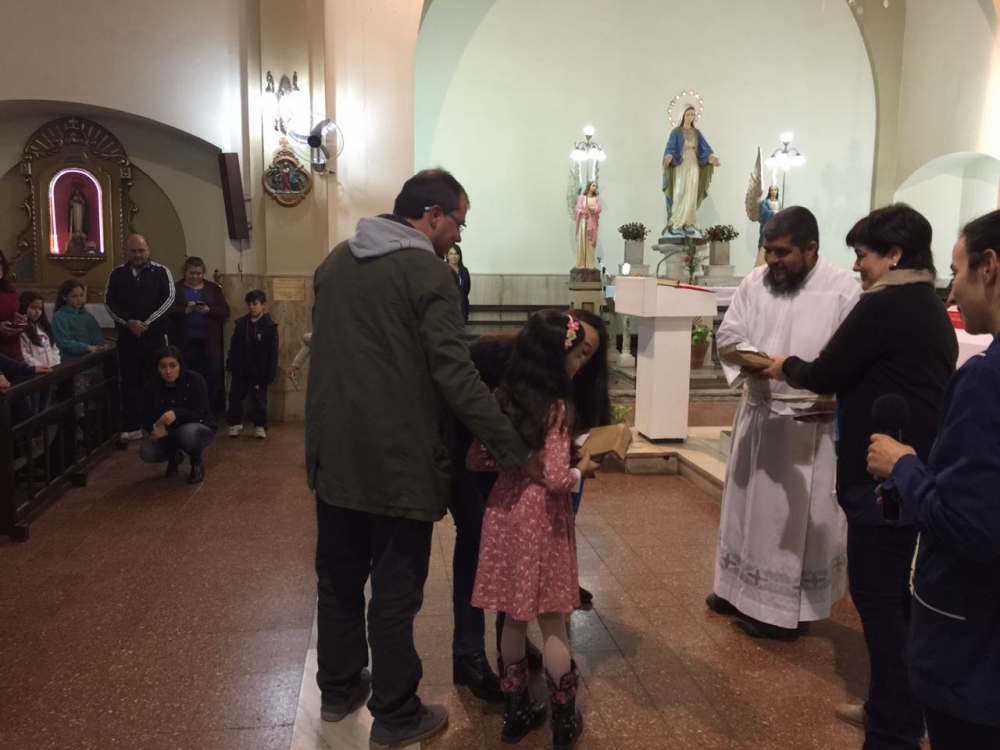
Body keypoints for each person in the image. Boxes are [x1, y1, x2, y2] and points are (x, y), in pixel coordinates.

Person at [306, 169, 542, 749]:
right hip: (398, 462)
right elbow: (455, 376)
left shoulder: (334, 263)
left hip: (334, 455)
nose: (458, 234)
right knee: (394, 591)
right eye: (459, 222)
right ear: (433, 214)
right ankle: (395, 713)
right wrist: (515, 451)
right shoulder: (427, 273)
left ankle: (338, 687)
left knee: (338, 579)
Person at [762, 204, 957, 747]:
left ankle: (894, 727)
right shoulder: (927, 303)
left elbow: (827, 370)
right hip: (909, 471)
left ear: (894, 255)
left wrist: (783, 365)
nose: (856, 267)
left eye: (863, 255)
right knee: (893, 595)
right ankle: (895, 705)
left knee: (879, 600)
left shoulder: (886, 304)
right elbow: (883, 377)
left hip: (881, 480)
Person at [867, 210, 1000, 750]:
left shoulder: (987, 381)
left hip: (974, 650)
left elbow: (971, 525)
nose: (952, 291)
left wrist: (904, 467)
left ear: (989, 267)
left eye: (958, 271)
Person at [708, 206, 860, 640]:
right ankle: (735, 589)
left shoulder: (842, 290)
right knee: (744, 513)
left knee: (785, 525)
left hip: (805, 426)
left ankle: (782, 612)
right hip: (758, 416)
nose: (771, 260)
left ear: (810, 248)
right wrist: (747, 358)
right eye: (768, 250)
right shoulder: (755, 281)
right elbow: (729, 333)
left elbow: (849, 360)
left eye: (782, 252)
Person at [470, 310, 598, 749]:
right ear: (554, 358)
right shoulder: (557, 407)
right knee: (554, 622)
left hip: (505, 515)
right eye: (576, 356)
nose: (579, 364)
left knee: (513, 619)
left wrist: (518, 462)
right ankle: (563, 722)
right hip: (542, 519)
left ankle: (516, 714)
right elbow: (558, 478)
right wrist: (583, 469)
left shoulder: (504, 397)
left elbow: (477, 457)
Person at [104, 233, 175, 440]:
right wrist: (128, 322)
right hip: (128, 338)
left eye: (141, 250)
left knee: (158, 380)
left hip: (154, 337)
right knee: (129, 382)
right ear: (127, 251)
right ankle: (132, 425)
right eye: (133, 251)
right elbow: (109, 302)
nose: (137, 255)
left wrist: (146, 323)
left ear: (148, 250)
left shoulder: (161, 272)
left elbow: (169, 299)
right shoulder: (117, 274)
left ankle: (157, 425)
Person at [138, 346, 215, 484]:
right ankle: (173, 456)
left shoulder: (194, 380)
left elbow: (200, 413)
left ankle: (196, 463)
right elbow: (145, 416)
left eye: (173, 366)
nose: (168, 371)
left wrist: (176, 413)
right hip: (168, 433)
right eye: (163, 367)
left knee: (187, 432)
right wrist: (154, 430)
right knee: (146, 452)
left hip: (198, 427)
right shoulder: (151, 387)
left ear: (180, 365)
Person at [168, 257, 230, 413]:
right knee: (187, 376)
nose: (195, 277)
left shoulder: (212, 289)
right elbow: (168, 312)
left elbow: (224, 311)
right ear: (185, 272)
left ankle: (209, 411)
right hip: (185, 342)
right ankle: (189, 409)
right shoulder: (176, 289)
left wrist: (209, 310)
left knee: (212, 377)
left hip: (210, 343)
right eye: (192, 273)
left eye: (199, 273)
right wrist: (185, 311)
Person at [225, 289, 278, 439]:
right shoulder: (241, 324)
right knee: (235, 396)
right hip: (241, 368)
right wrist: (230, 365)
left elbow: (273, 353)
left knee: (259, 399)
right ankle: (234, 423)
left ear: (263, 305)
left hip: (259, 370)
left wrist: (270, 372)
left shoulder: (269, 327)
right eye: (249, 304)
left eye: (255, 304)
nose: (252, 307)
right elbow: (234, 347)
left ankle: (260, 425)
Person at [662, 106, 721, 235]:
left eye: (692, 114)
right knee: (680, 191)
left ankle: (689, 222)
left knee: (691, 192)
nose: (690, 117)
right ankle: (676, 222)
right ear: (683, 115)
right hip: (681, 164)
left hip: (693, 163)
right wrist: (669, 156)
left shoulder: (696, 132)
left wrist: (711, 158)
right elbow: (670, 147)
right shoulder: (676, 132)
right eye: (688, 114)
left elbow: (705, 149)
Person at [19, 292, 60, 414]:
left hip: (48, 373)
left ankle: (42, 427)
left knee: (44, 409)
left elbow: (53, 347)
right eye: (33, 307)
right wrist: (38, 367)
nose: (37, 312)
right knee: (34, 411)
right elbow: (23, 354)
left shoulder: (43, 327)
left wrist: (55, 364)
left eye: (40, 308)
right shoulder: (21, 329)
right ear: (23, 307)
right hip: (33, 376)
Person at [52, 279, 106, 365]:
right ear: (64, 297)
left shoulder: (88, 316)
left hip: (91, 359)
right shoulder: (59, 316)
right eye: (74, 296)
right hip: (70, 362)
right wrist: (86, 348)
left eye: (81, 295)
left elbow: (97, 336)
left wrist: (99, 347)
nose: (79, 299)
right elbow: (63, 341)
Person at [0, 248, 27, 364]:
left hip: (13, 352)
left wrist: (18, 322)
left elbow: (13, 314)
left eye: (0, 262)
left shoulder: (9, 290)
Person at [574, 182, 601, 269]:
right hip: (583, 222)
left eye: (595, 186)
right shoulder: (582, 198)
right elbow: (577, 208)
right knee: (583, 241)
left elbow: (598, 209)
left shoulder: (596, 198)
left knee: (590, 242)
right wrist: (582, 211)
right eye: (593, 185)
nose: (594, 187)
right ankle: (581, 263)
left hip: (592, 222)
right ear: (589, 186)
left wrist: (591, 208)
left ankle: (589, 263)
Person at [756, 185, 780, 266]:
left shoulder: (778, 202)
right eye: (772, 190)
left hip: (776, 227)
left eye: (775, 190)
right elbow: (763, 213)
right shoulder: (765, 202)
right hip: (767, 227)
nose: (773, 191)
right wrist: (773, 212)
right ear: (769, 192)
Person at [446, 245, 471, 322]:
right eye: (451, 254)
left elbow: (467, 289)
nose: (453, 256)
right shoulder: (443, 270)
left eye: (456, 254)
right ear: (447, 256)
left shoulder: (464, 271)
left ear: (460, 256)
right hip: (447, 309)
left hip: (461, 308)